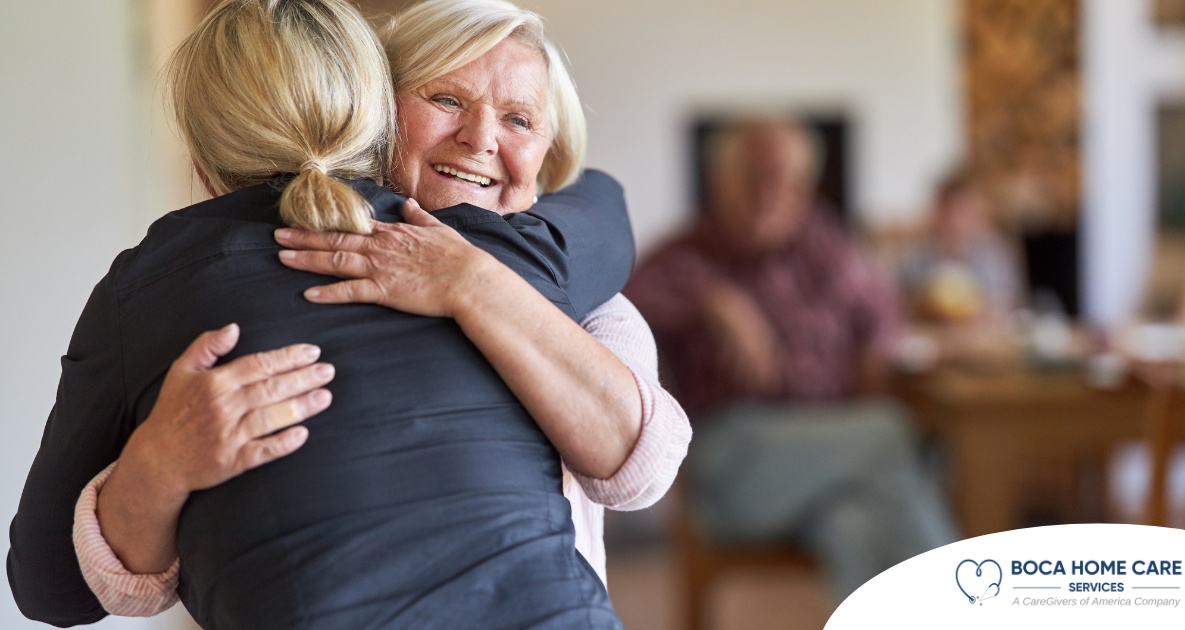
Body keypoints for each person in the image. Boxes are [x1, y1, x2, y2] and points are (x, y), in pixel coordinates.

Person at [9, 1, 688, 627]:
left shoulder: (540, 269)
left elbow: (642, 470)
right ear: (376, 115)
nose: (482, 138)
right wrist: (156, 468)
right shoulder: (538, 252)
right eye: (446, 99)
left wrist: (472, 283)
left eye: (520, 119)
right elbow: (606, 206)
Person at [625, 117, 956, 603]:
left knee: (856, 522)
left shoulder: (825, 244)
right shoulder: (686, 254)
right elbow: (620, 303)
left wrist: (874, 354)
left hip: (833, 460)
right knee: (890, 432)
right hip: (733, 467)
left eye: (787, 180)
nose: (771, 193)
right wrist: (714, 298)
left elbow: (887, 318)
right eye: (756, 175)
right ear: (721, 179)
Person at [901, 170, 1022, 325]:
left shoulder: (995, 254)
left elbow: (1007, 304)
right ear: (937, 213)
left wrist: (978, 312)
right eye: (948, 210)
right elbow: (903, 307)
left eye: (963, 210)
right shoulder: (917, 257)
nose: (955, 220)